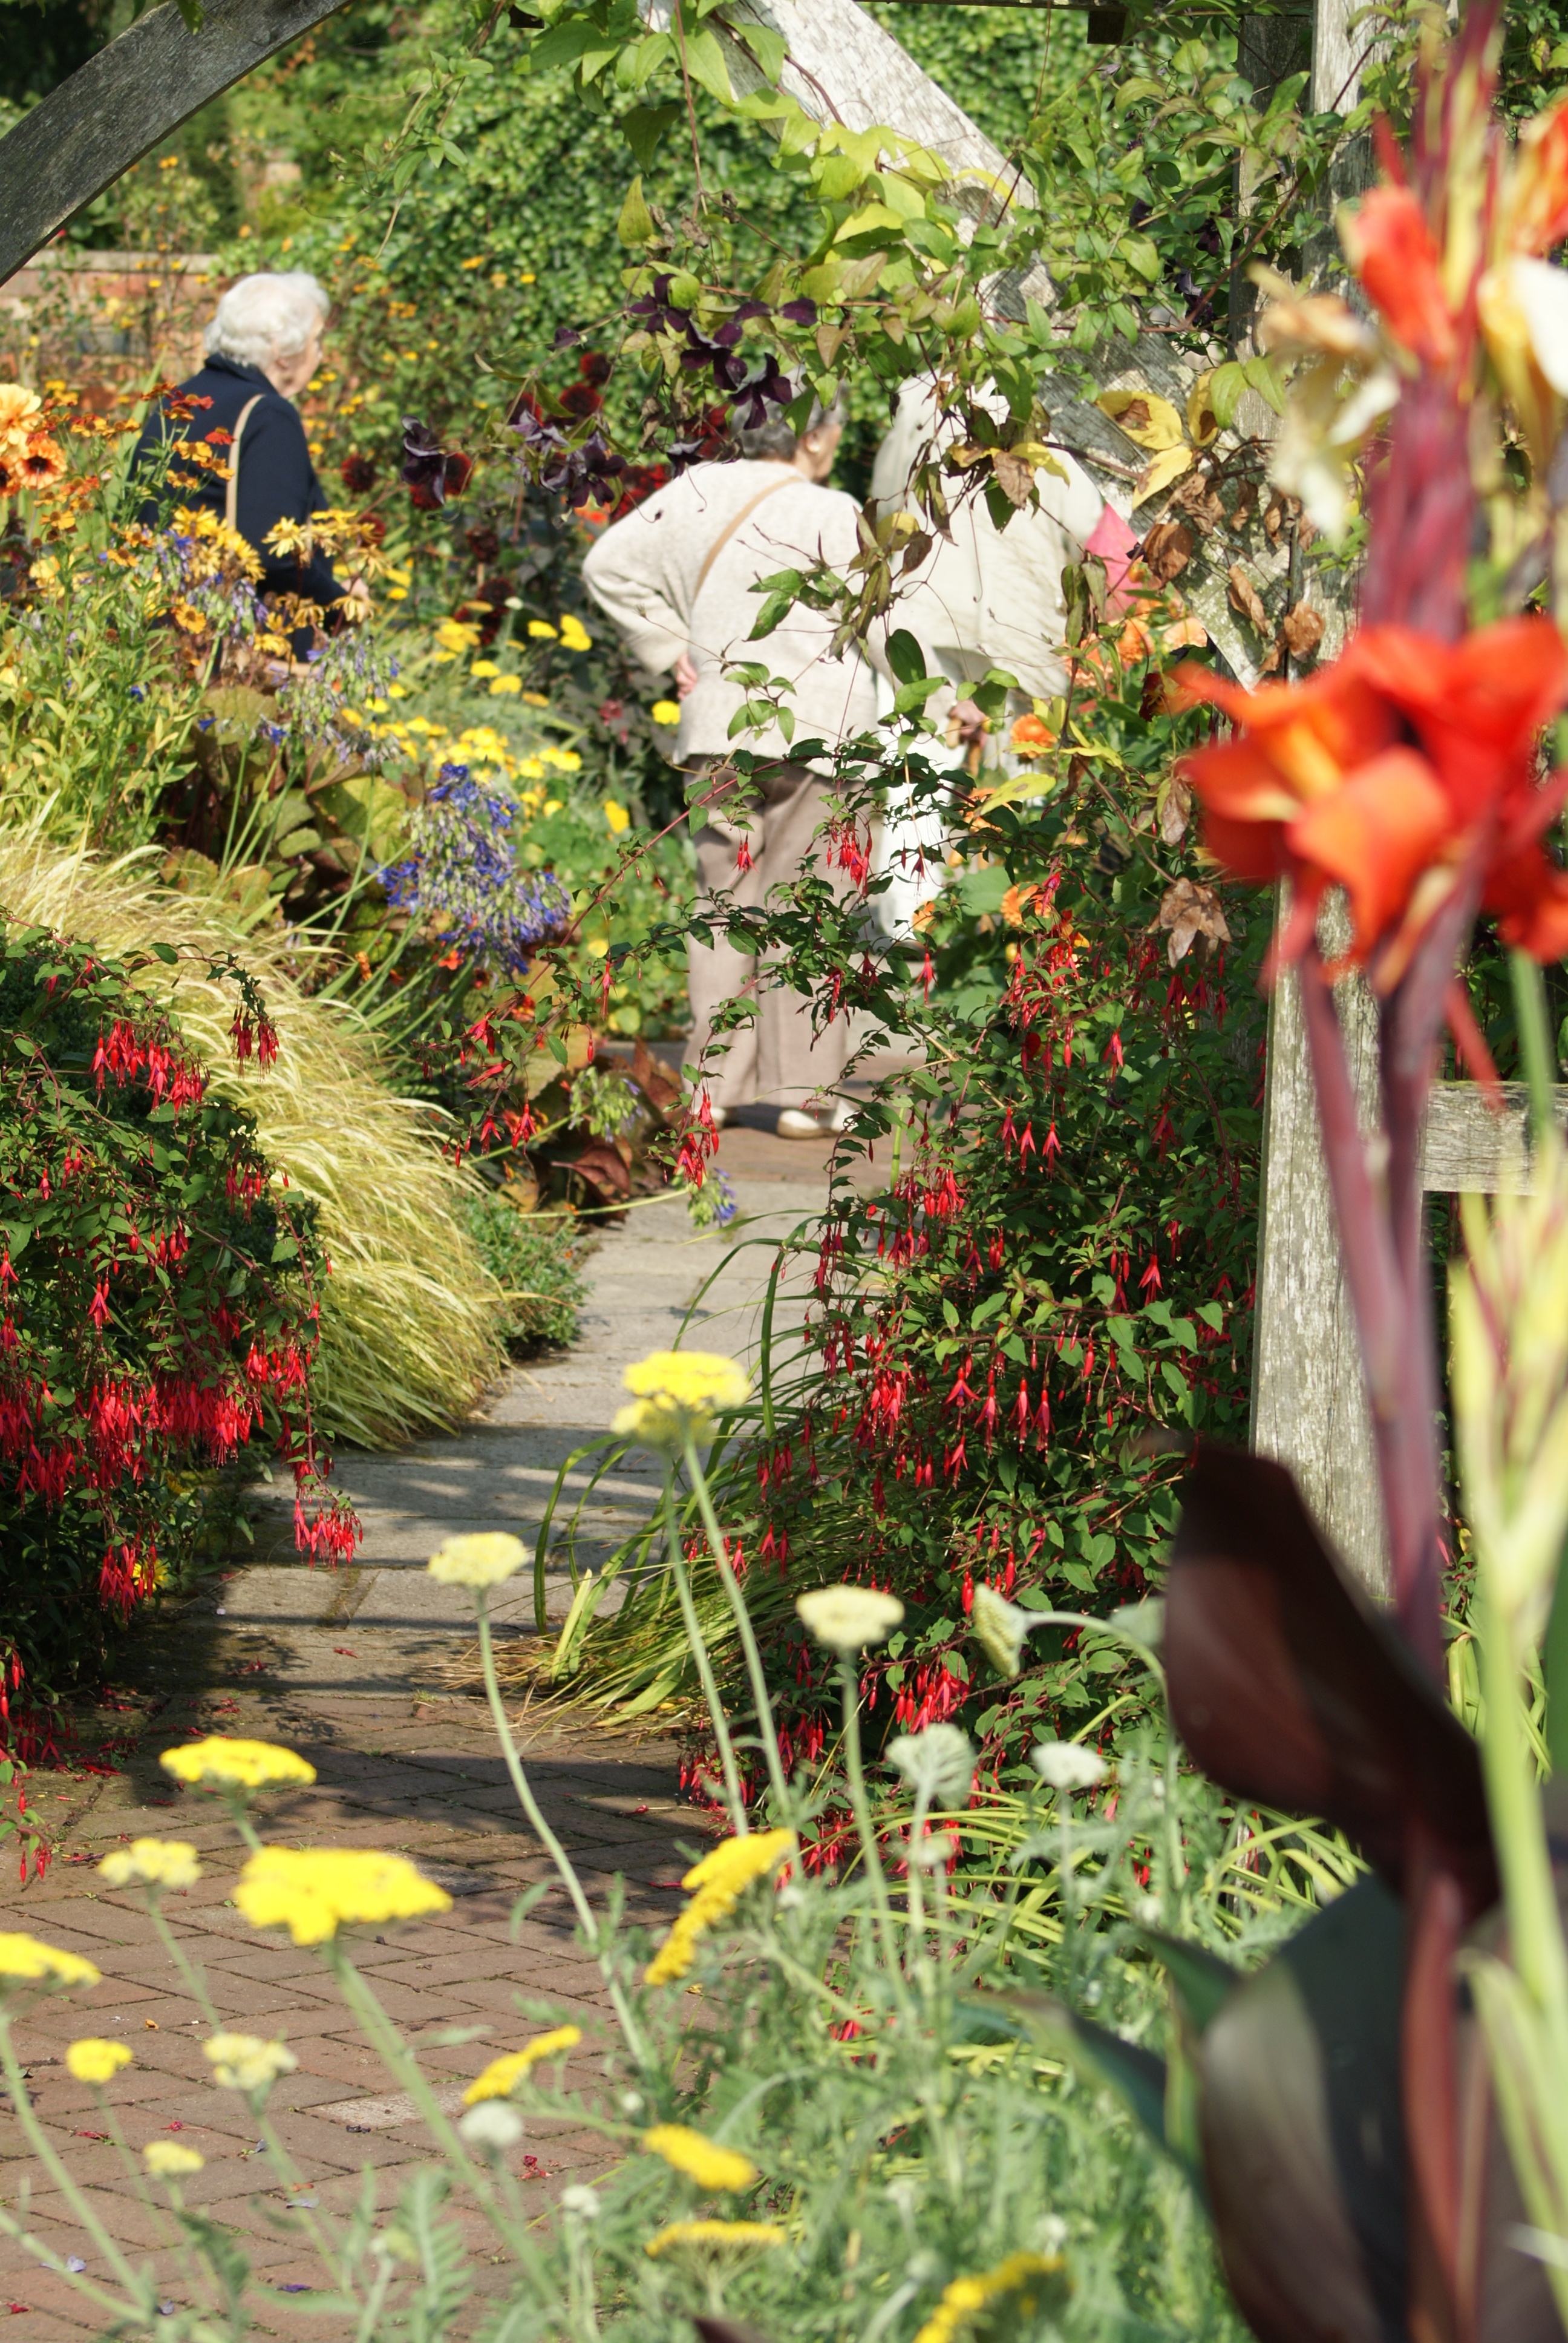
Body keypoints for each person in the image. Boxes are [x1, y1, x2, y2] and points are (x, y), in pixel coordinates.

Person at [583, 402, 884, 1137]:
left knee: (723, 904)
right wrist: (937, 699)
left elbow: (605, 565)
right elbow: (885, 623)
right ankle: (804, 1098)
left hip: (719, 728)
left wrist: (670, 647)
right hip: (820, 729)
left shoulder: (691, 493)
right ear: (813, 435)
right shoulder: (834, 510)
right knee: (809, 905)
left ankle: (710, 1090)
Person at [866, 375, 1137, 936]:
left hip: (922, 609)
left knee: (920, 765)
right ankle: (1014, 926)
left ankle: (910, 924)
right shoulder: (1041, 405)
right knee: (1018, 777)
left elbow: (885, 504)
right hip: (1016, 623)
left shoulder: (918, 400)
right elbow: (1088, 523)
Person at [134, 270, 364, 617]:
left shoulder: (180, 400)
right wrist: (339, 603)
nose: (321, 354)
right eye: (316, 341)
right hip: (228, 633)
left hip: (158, 617)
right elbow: (273, 551)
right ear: (282, 351)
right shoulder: (268, 414)